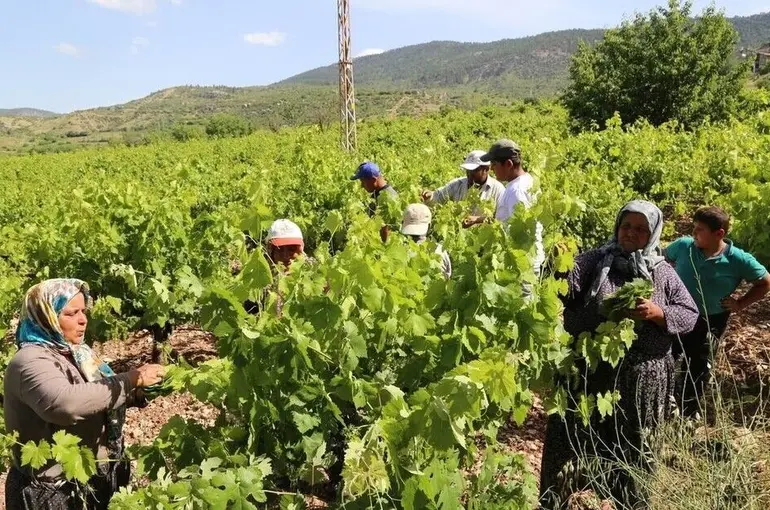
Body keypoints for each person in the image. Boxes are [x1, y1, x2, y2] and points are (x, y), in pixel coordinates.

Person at [538, 200, 698, 509]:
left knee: (633, 449)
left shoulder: (661, 272)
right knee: (570, 444)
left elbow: (688, 313)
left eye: (641, 229)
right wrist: (556, 263)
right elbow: (564, 288)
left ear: (652, 234)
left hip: (639, 381)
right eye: (626, 226)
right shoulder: (595, 261)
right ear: (617, 226)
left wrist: (656, 312)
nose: (631, 233)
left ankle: (629, 503)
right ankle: (556, 501)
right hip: (587, 375)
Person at [4, 279, 165, 510]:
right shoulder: (30, 361)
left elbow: (94, 396)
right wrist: (129, 380)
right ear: (45, 316)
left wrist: (138, 393)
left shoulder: (77, 353)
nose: (83, 319)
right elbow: (65, 405)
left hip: (93, 475)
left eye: (83, 311)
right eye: (71, 313)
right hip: (53, 492)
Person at [664, 206, 770, 417]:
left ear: (719, 233)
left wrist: (740, 303)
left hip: (711, 319)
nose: (693, 233)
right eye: (694, 228)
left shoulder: (737, 259)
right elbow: (663, 260)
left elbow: (765, 282)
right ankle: (664, 402)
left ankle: (688, 413)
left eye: (699, 230)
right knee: (667, 356)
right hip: (675, 313)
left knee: (699, 364)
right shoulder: (684, 246)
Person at [468, 139, 545, 275]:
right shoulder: (525, 182)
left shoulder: (517, 191)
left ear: (508, 164)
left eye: (494, 164)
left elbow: (524, 233)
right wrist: (478, 219)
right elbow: (508, 221)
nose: (491, 168)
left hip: (522, 265)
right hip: (521, 262)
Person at [244, 219, 308, 316]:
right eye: (280, 250)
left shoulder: (313, 276)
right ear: (270, 252)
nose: (286, 256)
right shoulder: (259, 287)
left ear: (301, 250)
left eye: (291, 249)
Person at [420, 150, 505, 217]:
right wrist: (430, 196)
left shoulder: (498, 190)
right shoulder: (458, 184)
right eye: (468, 170)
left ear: (486, 169)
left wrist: (480, 220)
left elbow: (501, 219)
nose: (469, 173)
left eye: (474, 170)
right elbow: (439, 196)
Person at [350, 161, 399, 242]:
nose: (362, 185)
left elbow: (386, 230)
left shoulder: (387, 198)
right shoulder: (379, 194)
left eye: (363, 181)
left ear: (373, 180)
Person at [401, 203, 452, 279]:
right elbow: (448, 277)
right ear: (429, 226)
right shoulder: (440, 250)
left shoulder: (401, 250)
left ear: (403, 224)